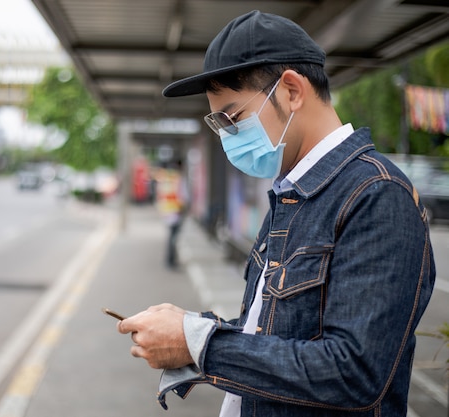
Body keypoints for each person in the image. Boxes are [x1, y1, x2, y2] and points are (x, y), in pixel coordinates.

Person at [117, 10, 435, 417]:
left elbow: (355, 372)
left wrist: (203, 345)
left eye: (234, 117)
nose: (229, 137)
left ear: (291, 91)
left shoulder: (376, 195)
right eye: (219, 124)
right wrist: (190, 332)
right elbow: (277, 331)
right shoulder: (290, 194)